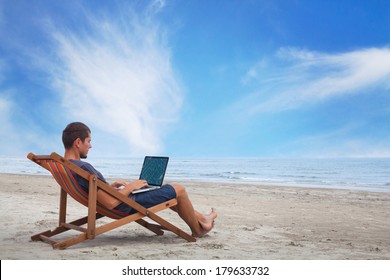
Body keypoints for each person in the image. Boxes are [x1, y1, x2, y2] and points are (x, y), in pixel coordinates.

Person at [62, 122, 217, 237]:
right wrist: (131, 187)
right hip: (125, 205)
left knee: (162, 190)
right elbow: (109, 203)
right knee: (179, 190)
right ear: (78, 142)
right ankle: (198, 230)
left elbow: (97, 193)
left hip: (121, 200)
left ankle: (203, 218)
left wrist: (111, 187)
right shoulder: (83, 167)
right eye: (88, 141)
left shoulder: (66, 166)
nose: (90, 146)